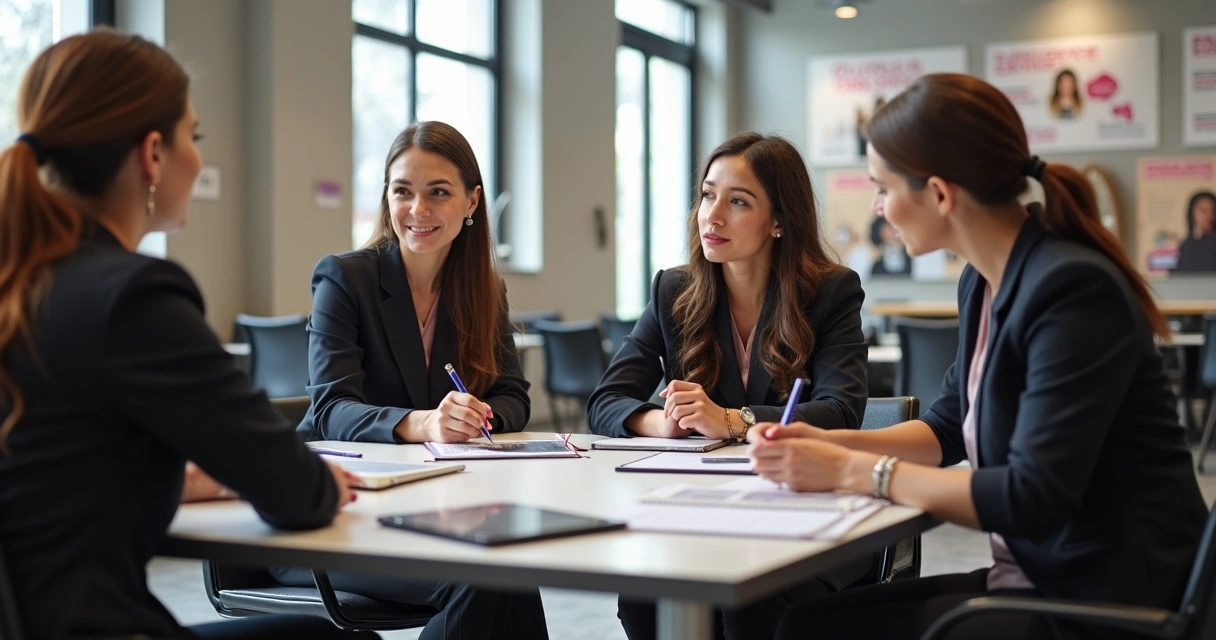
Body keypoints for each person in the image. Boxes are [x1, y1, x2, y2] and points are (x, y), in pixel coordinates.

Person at [752, 73, 1207, 640]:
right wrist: (831, 443)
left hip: (1108, 600)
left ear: (940, 194)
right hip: (1039, 576)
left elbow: (1030, 497)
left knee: (808, 631)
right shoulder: (983, 281)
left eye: (883, 188)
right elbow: (947, 427)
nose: (878, 207)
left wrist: (854, 470)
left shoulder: (1071, 288)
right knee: (799, 623)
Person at [0, 31, 371, 640]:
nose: (197, 158)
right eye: (192, 137)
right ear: (152, 153)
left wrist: (190, 477)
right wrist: (315, 477)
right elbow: (298, 494)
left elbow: (59, 470)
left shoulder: (24, 285)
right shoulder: (134, 298)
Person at [587, 132, 871, 640]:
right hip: (698, 510)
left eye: (738, 201)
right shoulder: (673, 290)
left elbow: (842, 410)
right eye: (707, 195)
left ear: (780, 220)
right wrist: (661, 422)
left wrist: (734, 421)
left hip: (800, 518)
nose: (712, 216)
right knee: (643, 597)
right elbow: (607, 400)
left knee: (748, 604)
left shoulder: (830, 292)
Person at [281, 121, 548, 639]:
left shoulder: (482, 290)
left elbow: (514, 395)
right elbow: (332, 409)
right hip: (335, 522)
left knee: (511, 571)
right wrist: (423, 424)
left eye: (438, 193)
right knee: (485, 576)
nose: (418, 210)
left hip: (434, 512)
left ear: (472, 202)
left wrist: (478, 416)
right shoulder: (344, 278)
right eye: (403, 191)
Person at [1172, 190, 1216, 273]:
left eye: (1213, 210)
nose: (1209, 215)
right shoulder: (1185, 244)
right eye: (1203, 211)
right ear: (1192, 213)